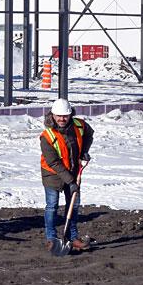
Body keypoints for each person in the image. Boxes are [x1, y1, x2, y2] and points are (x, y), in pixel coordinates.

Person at [40, 98, 94, 253]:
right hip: (52, 174)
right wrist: (70, 181)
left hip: (73, 171)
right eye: (59, 116)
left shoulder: (79, 125)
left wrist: (84, 151)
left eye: (65, 116)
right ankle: (51, 238)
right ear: (52, 115)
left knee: (74, 205)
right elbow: (54, 163)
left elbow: (89, 134)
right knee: (52, 206)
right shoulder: (47, 136)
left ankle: (73, 237)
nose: (62, 119)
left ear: (70, 115)